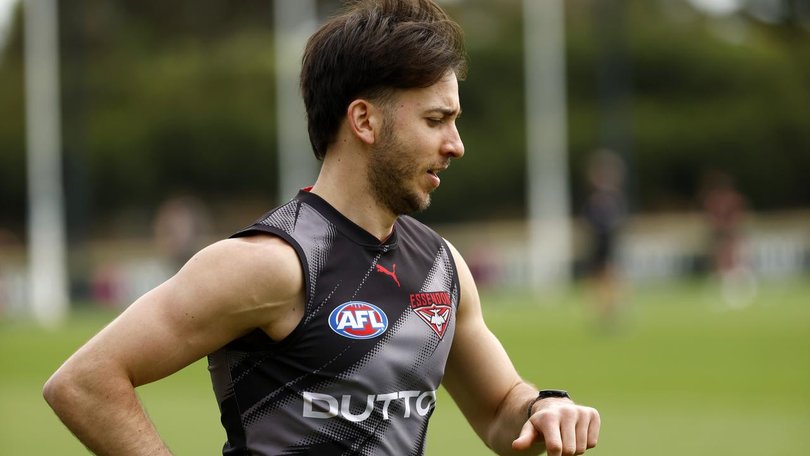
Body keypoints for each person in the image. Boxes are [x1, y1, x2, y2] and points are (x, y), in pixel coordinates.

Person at [43, 1, 600, 455]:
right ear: (364, 120)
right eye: (436, 120)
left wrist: (543, 409)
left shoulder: (441, 266)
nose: (456, 145)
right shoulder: (272, 263)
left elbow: (501, 411)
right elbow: (85, 383)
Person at [582, 148, 627, 330]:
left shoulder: (611, 197)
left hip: (608, 244)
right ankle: (604, 311)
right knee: (598, 278)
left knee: (610, 278)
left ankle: (612, 310)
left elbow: (616, 222)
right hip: (598, 244)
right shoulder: (595, 198)